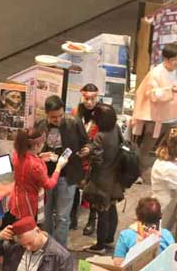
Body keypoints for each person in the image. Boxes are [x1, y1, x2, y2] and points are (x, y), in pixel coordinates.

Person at [131, 43, 177, 180]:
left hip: (176, 116)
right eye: (173, 59)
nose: (176, 62)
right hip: (158, 118)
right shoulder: (155, 73)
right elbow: (152, 94)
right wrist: (169, 90)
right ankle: (136, 172)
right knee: (146, 147)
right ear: (165, 59)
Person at [35, 95, 88, 246]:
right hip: (45, 176)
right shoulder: (40, 125)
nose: (57, 120)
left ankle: (59, 250)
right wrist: (40, 156)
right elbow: (31, 148)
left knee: (63, 217)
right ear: (46, 114)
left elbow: (87, 142)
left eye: (60, 116)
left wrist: (87, 150)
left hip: (67, 176)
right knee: (45, 215)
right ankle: (47, 246)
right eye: (53, 118)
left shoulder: (74, 122)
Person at [82, 104, 125, 252]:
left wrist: (88, 154)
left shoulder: (100, 136)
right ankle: (109, 238)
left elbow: (97, 159)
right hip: (114, 175)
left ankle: (100, 245)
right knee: (111, 207)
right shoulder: (116, 129)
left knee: (102, 211)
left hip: (101, 178)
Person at [10, 129, 70, 222]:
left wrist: (40, 157)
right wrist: (58, 167)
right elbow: (49, 184)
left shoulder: (16, 155)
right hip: (29, 202)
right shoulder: (36, 166)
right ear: (37, 145)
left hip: (17, 197)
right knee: (28, 230)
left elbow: (27, 162)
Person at [113, 197, 174, 266]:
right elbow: (172, 261)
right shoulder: (167, 235)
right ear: (160, 215)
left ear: (137, 214)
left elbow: (117, 262)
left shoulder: (125, 235)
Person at [74, 83, 102, 234]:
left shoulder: (103, 113)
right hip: (78, 156)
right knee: (73, 186)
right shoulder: (76, 112)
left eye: (93, 99)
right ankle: (72, 217)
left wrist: (91, 148)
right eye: (86, 98)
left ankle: (92, 220)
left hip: (95, 158)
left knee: (92, 192)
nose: (89, 102)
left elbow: (106, 137)